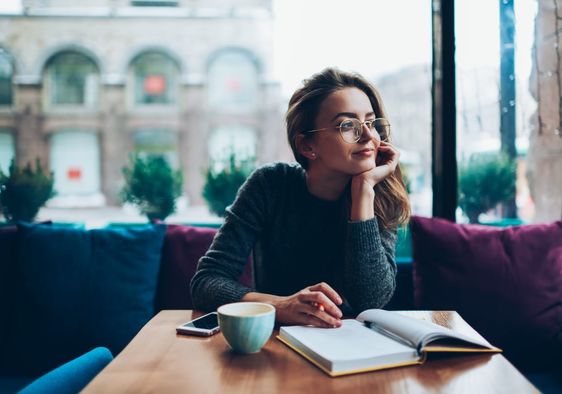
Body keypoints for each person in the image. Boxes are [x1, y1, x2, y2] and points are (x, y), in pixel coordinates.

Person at [191, 67, 410, 328]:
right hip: (276, 344)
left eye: (371, 123)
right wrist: (279, 306)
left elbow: (370, 300)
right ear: (308, 146)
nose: (368, 136)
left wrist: (364, 190)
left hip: (355, 346)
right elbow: (206, 281)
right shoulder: (270, 185)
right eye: (347, 125)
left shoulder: (380, 193)